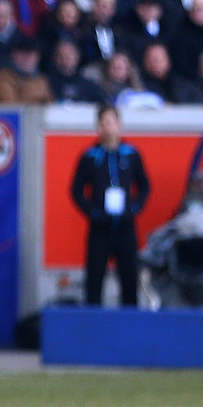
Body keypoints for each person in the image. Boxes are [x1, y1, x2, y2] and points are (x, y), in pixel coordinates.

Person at [71, 104, 148, 306]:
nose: (108, 127)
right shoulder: (89, 156)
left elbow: (145, 186)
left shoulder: (131, 154)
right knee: (94, 280)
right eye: (104, 123)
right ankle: (93, 328)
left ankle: (130, 327)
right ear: (98, 127)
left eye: (112, 122)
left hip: (126, 226)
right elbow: (76, 191)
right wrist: (92, 212)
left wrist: (134, 208)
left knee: (129, 278)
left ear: (119, 125)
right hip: (99, 228)